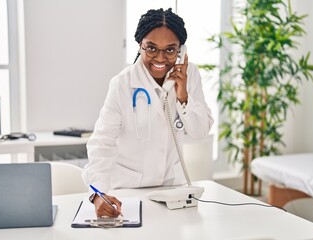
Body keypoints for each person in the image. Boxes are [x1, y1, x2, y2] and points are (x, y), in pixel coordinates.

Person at [82, 8, 214, 217]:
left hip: (173, 192)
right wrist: (98, 193)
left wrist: (183, 97)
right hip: (129, 192)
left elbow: (199, 133)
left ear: (181, 50)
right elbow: (102, 143)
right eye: (151, 48)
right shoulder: (122, 84)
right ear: (140, 46)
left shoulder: (190, 75)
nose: (160, 58)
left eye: (170, 50)